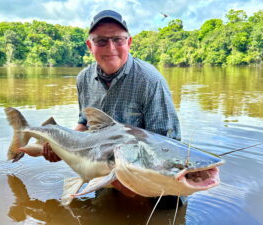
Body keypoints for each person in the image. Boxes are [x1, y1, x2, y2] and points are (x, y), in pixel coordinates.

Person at [43, 9, 185, 207]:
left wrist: (134, 181)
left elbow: (167, 146)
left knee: (167, 212)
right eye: (101, 41)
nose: (110, 47)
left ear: (129, 42)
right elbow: (85, 122)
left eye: (118, 40)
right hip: (106, 171)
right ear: (89, 45)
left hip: (153, 178)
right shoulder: (83, 78)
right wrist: (66, 145)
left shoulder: (150, 81)